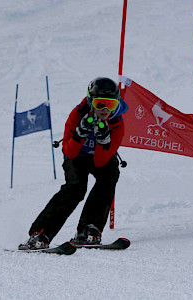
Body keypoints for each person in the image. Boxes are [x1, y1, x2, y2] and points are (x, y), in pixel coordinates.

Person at [19, 77, 129, 250]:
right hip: (77, 155)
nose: (105, 110)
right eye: (100, 104)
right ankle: (40, 233)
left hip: (101, 157)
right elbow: (69, 152)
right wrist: (80, 134)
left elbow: (101, 162)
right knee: (75, 188)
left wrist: (103, 141)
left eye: (111, 105)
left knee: (109, 177)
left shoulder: (117, 123)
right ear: (91, 101)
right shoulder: (77, 114)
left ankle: (89, 229)